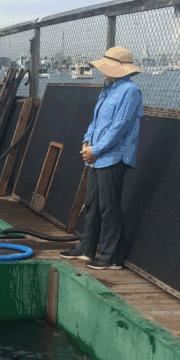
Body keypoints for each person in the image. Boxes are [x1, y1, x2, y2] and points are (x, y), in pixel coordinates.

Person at [59, 46, 143, 270]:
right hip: (98, 157)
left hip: (114, 157)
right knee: (92, 204)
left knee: (109, 207)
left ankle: (112, 257)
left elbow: (119, 127)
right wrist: (87, 142)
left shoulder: (130, 91)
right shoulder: (107, 90)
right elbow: (96, 122)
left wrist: (95, 149)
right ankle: (87, 248)